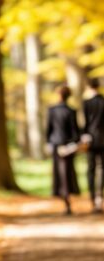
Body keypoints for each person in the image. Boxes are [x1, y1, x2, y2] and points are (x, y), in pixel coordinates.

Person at [46, 85, 80, 215]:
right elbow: (75, 132)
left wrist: (49, 142)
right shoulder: (71, 111)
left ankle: (66, 201)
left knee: (61, 174)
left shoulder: (52, 110)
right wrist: (72, 144)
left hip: (56, 145)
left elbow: (48, 130)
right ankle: (66, 201)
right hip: (67, 146)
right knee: (66, 173)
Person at [83, 78, 104, 213]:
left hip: (90, 140)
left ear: (89, 87)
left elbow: (85, 123)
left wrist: (84, 136)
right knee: (102, 169)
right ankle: (99, 198)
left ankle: (92, 198)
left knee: (90, 169)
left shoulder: (87, 103)